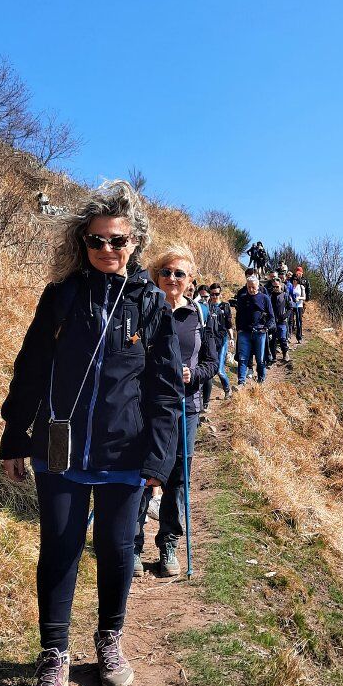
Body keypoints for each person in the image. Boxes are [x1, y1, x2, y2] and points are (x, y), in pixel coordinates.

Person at [0, 180, 183, 686]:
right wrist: (15, 435)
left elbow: (165, 392)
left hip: (125, 458)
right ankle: (54, 654)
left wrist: (157, 461)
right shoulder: (61, 298)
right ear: (83, 242)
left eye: (119, 241)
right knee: (58, 548)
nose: (108, 250)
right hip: (61, 452)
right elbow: (30, 370)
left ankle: (109, 639)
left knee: (116, 548)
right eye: (97, 240)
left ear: (135, 244)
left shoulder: (150, 305)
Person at [133, 246, 218, 578]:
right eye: (165, 272)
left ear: (190, 281)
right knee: (144, 472)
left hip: (186, 406)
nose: (171, 278)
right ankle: (134, 546)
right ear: (157, 276)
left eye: (179, 274)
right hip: (148, 405)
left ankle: (168, 545)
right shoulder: (146, 309)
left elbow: (212, 361)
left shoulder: (200, 316)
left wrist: (192, 375)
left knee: (178, 479)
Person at [234, 270, 274, 387]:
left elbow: (272, 317)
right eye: (249, 287)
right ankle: (241, 383)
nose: (251, 289)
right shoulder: (242, 298)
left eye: (253, 287)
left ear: (258, 286)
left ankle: (261, 380)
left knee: (260, 359)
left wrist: (266, 328)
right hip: (244, 332)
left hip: (260, 332)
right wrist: (239, 329)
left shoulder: (264, 298)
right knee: (242, 359)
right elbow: (238, 315)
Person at [207, 283, 233, 399]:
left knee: (220, 369)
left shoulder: (225, 306)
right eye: (212, 294)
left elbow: (229, 324)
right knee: (209, 368)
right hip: (210, 340)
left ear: (220, 294)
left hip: (222, 339)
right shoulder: (206, 306)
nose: (214, 296)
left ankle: (227, 389)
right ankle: (205, 397)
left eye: (216, 294)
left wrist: (231, 338)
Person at [269, 278, 293, 365]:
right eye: (274, 287)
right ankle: (273, 357)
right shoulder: (270, 296)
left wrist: (285, 316)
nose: (275, 288)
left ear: (281, 286)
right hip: (272, 321)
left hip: (282, 321)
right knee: (272, 340)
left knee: (283, 338)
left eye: (277, 286)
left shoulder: (285, 296)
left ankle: (285, 353)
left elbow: (290, 308)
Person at [288, 273, 306, 343]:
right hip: (292, 306)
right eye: (293, 279)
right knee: (290, 321)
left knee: (299, 322)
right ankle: (289, 336)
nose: (294, 281)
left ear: (298, 280)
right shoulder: (290, 286)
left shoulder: (301, 287)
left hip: (299, 305)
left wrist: (299, 298)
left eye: (296, 279)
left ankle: (299, 337)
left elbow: (304, 297)